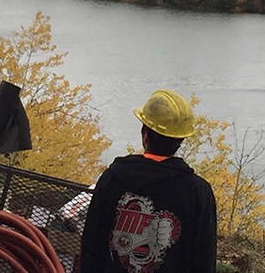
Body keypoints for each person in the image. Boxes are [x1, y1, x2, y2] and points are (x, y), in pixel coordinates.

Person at [80, 89, 217, 273]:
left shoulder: (111, 179)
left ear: (145, 135)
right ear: (180, 141)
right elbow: (204, 261)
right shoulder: (198, 193)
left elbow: (91, 246)